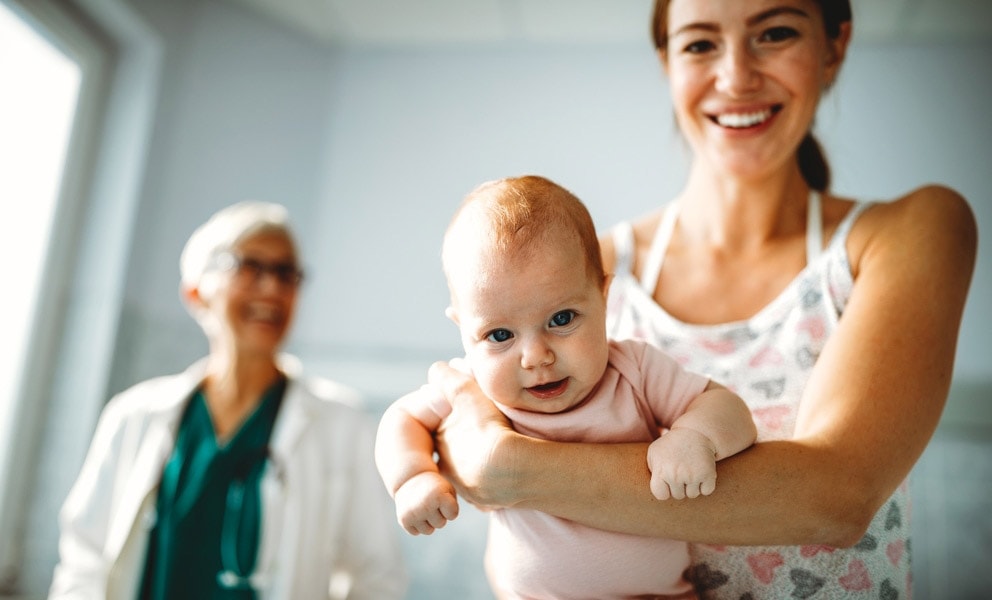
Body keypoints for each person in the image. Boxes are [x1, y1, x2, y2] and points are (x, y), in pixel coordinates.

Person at [424, 1, 978, 598]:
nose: (736, 76)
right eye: (699, 44)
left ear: (834, 47)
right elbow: (462, 438)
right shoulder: (577, 277)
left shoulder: (911, 232)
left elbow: (837, 499)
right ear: (666, 61)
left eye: (776, 33)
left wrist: (514, 471)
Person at [376, 175, 757, 599]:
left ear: (603, 295)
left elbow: (727, 408)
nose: (535, 356)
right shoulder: (471, 386)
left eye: (561, 319)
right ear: (463, 330)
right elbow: (402, 418)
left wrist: (696, 436)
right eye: (500, 335)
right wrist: (412, 477)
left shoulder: (634, 369)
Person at [49, 201, 408, 600]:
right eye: (249, 266)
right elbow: (84, 561)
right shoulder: (134, 415)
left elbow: (377, 578)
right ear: (196, 293)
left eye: (286, 273)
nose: (272, 288)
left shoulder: (343, 424)